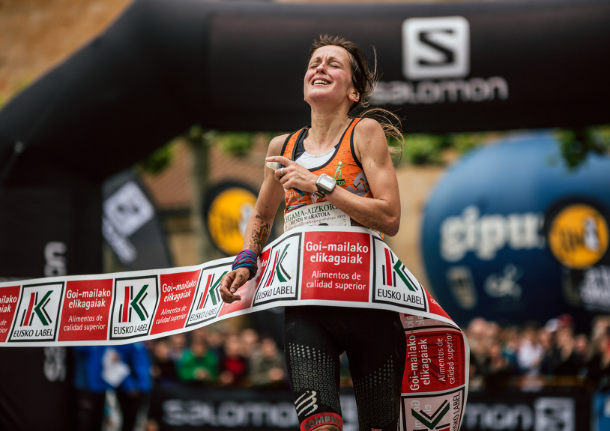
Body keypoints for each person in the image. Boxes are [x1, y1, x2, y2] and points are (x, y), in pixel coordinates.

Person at [220, 34, 405, 431]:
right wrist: (246, 260)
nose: (320, 67)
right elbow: (261, 216)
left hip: (369, 304)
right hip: (308, 305)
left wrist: (318, 184)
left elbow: (390, 217)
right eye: (315, 62)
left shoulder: (365, 133)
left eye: (333, 64)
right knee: (320, 427)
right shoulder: (282, 146)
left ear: (353, 91)